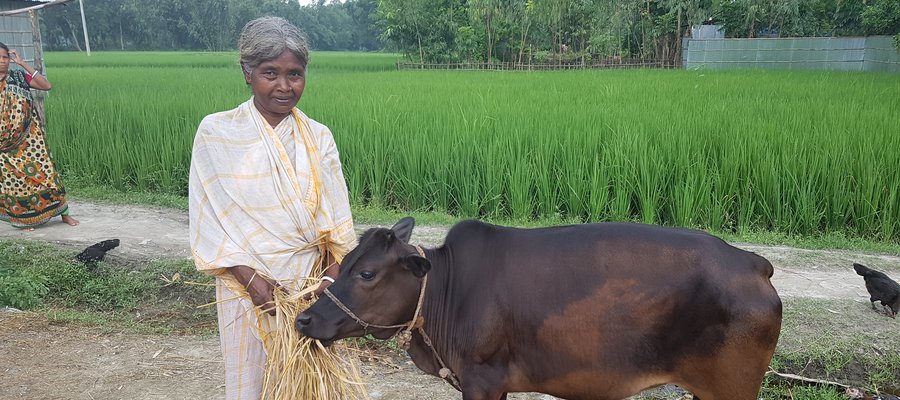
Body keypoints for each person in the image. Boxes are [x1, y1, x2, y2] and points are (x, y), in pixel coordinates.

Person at [188, 17, 356, 399]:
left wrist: (327, 286)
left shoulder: (318, 137)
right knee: (253, 384)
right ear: (247, 72)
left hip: (311, 290)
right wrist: (256, 284)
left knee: (315, 384)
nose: (284, 86)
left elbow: (338, 229)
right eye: (270, 73)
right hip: (244, 288)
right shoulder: (217, 133)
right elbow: (210, 223)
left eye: (294, 74)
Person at [0, 42, 78, 228]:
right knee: (14, 181)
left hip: (29, 140)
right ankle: (24, 219)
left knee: (46, 174)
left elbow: (46, 85)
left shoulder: (19, 77)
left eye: (5, 57)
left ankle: (64, 214)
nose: (2, 62)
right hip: (3, 146)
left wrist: (23, 63)